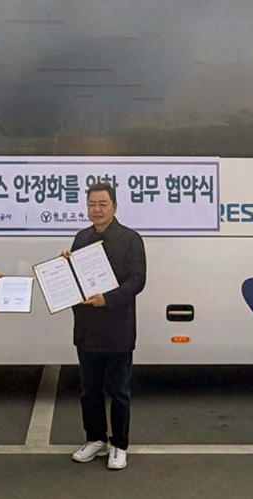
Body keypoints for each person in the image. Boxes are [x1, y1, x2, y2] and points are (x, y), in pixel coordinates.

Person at [64, 182, 146, 470]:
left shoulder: (130, 239)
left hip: (117, 327)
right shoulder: (82, 237)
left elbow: (137, 280)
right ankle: (95, 439)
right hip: (87, 328)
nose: (96, 209)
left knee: (119, 391)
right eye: (92, 204)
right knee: (90, 390)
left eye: (102, 204)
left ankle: (119, 445)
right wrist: (65, 267)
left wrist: (107, 299)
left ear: (114, 206)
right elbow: (75, 280)